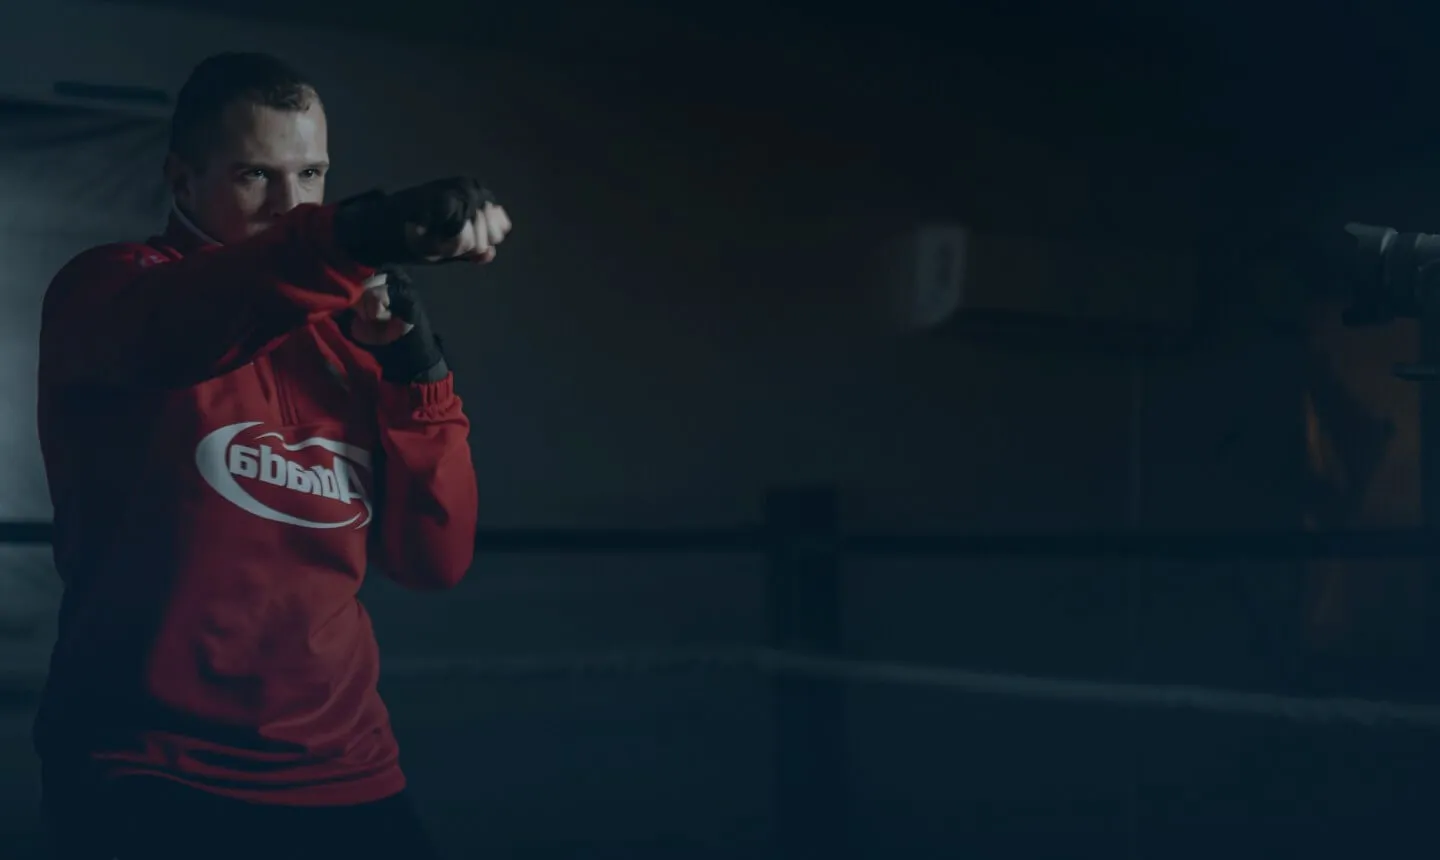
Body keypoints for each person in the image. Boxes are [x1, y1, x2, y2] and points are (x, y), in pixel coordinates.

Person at [34, 52, 511, 859]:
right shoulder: (110, 289)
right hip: (149, 768)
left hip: (347, 768)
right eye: (257, 175)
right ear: (182, 181)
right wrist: (350, 236)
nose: (292, 207)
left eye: (311, 175)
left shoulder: (352, 334)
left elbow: (432, 560)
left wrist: (418, 376)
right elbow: (184, 326)